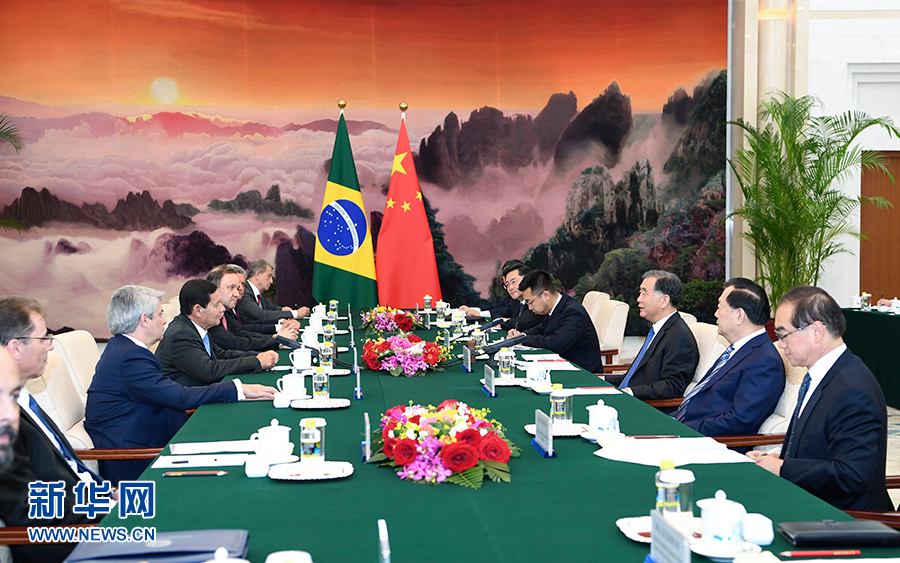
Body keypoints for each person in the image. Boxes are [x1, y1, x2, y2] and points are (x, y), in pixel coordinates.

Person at [85, 285, 276, 484]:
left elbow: (169, 394)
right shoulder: (130, 358)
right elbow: (180, 397)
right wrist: (239, 389)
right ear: (144, 320)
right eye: (160, 314)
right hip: (138, 459)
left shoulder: (125, 349)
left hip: (154, 437)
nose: (164, 320)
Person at [748, 286, 893, 511]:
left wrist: (783, 469)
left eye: (784, 335)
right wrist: (777, 457)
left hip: (843, 518)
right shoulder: (824, 375)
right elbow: (821, 447)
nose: (781, 344)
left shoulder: (852, 390)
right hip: (811, 502)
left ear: (816, 331)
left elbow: (852, 475)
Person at [0, 297, 102, 563]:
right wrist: (104, 508)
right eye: (43, 338)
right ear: (15, 348)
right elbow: (27, 511)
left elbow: (65, 469)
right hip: (65, 543)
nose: (50, 346)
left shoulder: (22, 397)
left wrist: (105, 495)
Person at [671, 278, 785, 436]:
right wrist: (671, 421)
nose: (716, 314)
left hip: (708, 441)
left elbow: (739, 421)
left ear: (739, 315)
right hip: (686, 426)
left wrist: (681, 430)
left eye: (720, 307)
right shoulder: (737, 350)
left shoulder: (765, 362)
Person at [156, 279, 279, 387]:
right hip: (187, 404)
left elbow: (222, 355)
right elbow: (209, 371)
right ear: (198, 310)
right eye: (216, 305)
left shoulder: (196, 327)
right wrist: (257, 362)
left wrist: (258, 356)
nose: (222, 309)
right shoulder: (181, 335)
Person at [605, 270, 699, 401]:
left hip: (644, 405)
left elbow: (672, 386)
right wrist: (601, 379)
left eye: (644, 294)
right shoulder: (658, 329)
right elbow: (633, 377)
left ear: (664, 300)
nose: (639, 299)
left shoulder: (679, 337)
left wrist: (630, 392)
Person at [507, 270, 603, 373]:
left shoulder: (573, 312)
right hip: (564, 367)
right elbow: (540, 329)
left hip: (584, 374)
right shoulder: (556, 306)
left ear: (546, 295)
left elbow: (556, 343)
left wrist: (524, 339)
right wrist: (520, 336)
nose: (530, 307)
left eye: (530, 302)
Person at [206, 264, 299, 351]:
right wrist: (276, 340)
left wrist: (275, 339)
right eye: (231, 288)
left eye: (241, 285)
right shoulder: (210, 316)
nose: (237, 293)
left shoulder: (225, 312)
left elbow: (241, 333)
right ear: (214, 289)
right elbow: (235, 343)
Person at [236, 259, 310, 324]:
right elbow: (261, 315)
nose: (271, 281)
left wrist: (283, 310)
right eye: (269, 276)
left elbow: (270, 307)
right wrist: (295, 313)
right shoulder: (244, 292)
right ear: (258, 275)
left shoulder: (257, 292)